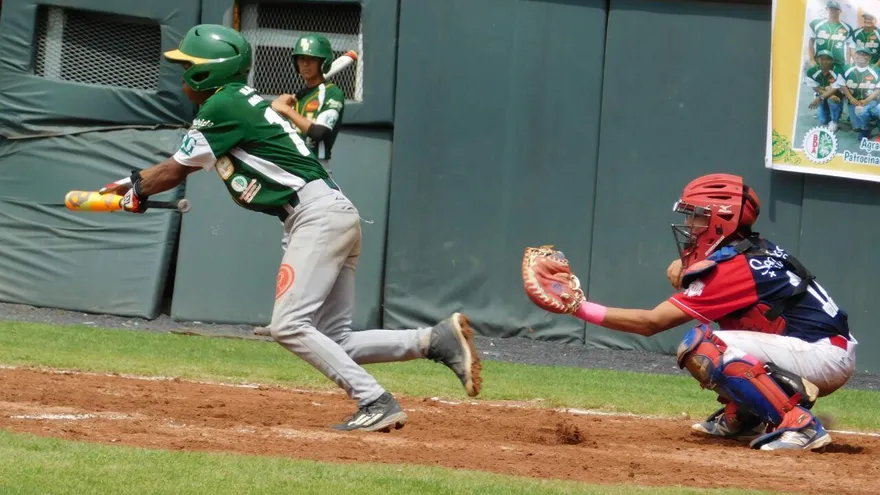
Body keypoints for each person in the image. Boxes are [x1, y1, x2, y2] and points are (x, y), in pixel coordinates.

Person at [98, 24, 482, 433]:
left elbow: (174, 169)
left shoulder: (223, 104)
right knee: (336, 339)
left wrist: (135, 189)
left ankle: (374, 400)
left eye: (188, 65)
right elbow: (175, 167)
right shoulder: (235, 103)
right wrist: (132, 185)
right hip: (327, 213)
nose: (182, 74)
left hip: (316, 216)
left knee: (288, 326)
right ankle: (433, 341)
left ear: (209, 71)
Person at [522, 173, 857, 451]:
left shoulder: (735, 267)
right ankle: (747, 417)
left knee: (704, 345)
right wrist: (687, 271)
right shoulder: (754, 250)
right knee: (725, 335)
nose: (689, 223)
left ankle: (799, 424)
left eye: (697, 215)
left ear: (721, 220)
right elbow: (721, 281)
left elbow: (651, 323)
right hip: (820, 348)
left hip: (820, 355)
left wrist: (579, 307)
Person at [270, 33, 344, 176]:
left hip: (316, 167)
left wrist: (286, 110)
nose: (305, 64)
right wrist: (279, 110)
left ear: (322, 62)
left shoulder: (332, 93)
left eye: (311, 59)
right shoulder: (300, 97)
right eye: (301, 59)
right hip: (292, 165)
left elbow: (319, 132)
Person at [841, 47, 880, 140]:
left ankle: (865, 129)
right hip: (853, 102)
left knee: (876, 110)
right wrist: (850, 98)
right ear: (854, 56)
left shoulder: (875, 70)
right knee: (856, 127)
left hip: (871, 102)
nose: (861, 56)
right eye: (859, 54)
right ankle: (867, 118)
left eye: (864, 54)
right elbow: (842, 85)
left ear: (869, 57)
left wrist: (867, 100)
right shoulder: (847, 69)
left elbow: (878, 88)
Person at [805, 50, 844, 133]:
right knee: (823, 121)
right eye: (822, 59)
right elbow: (815, 88)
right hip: (821, 93)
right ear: (817, 60)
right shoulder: (811, 72)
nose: (825, 62)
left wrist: (820, 98)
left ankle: (835, 121)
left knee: (833, 100)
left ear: (832, 60)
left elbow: (835, 89)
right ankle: (830, 110)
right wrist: (822, 97)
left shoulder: (838, 70)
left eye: (828, 59)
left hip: (835, 94)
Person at [807, 1, 853, 70]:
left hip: (839, 63)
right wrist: (811, 59)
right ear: (827, 9)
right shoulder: (817, 24)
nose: (832, 11)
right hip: (820, 62)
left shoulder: (847, 28)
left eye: (835, 9)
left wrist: (848, 64)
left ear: (840, 11)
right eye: (830, 9)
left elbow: (849, 48)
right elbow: (811, 42)